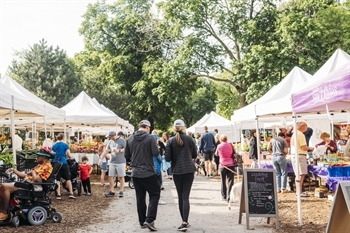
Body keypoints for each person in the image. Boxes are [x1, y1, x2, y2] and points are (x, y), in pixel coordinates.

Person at [124, 120, 160, 231]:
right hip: (148, 171)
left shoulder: (130, 138)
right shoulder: (150, 138)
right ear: (148, 127)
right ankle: (149, 220)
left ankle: (142, 221)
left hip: (135, 172)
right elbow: (156, 153)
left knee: (140, 197)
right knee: (155, 194)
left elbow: (126, 155)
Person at [0, 148, 53, 220]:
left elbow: (37, 180)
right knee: (2, 187)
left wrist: (33, 172)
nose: (36, 157)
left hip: (33, 186)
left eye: (38, 156)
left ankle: (5, 213)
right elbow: (25, 175)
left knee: (4, 186)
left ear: (43, 157)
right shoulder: (40, 165)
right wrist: (14, 170)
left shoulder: (47, 166)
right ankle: (3, 212)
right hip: (27, 184)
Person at [165, 119, 197, 232]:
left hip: (177, 170)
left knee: (180, 196)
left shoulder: (170, 141)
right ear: (184, 128)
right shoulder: (190, 139)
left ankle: (183, 221)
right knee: (185, 197)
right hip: (189, 169)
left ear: (174, 128)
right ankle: (185, 221)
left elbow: (167, 158)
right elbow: (194, 155)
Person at [291, 121, 314, 197]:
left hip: (295, 155)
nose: (307, 128)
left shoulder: (294, 134)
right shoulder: (300, 135)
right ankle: (299, 192)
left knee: (298, 174)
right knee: (301, 174)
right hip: (300, 155)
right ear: (302, 127)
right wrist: (311, 148)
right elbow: (303, 147)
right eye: (306, 126)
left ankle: (299, 191)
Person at [102, 131, 126, 198]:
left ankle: (121, 191)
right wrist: (101, 159)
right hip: (112, 161)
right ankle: (111, 191)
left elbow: (126, 149)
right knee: (110, 176)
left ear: (113, 135)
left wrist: (119, 150)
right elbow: (106, 150)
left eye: (110, 137)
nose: (109, 138)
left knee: (121, 176)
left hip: (121, 161)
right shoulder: (110, 142)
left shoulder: (122, 140)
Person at [52, 133, 76, 199]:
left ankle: (58, 194)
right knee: (68, 178)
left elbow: (52, 153)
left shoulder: (54, 145)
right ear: (63, 138)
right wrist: (71, 158)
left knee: (57, 179)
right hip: (63, 162)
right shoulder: (65, 145)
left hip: (56, 162)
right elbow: (69, 155)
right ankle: (71, 193)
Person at [216, 134, 234, 202]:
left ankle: (224, 196)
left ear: (220, 139)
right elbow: (233, 153)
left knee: (223, 181)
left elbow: (216, 154)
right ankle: (229, 196)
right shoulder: (230, 145)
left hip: (222, 165)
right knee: (230, 181)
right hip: (231, 164)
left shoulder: (219, 146)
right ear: (227, 139)